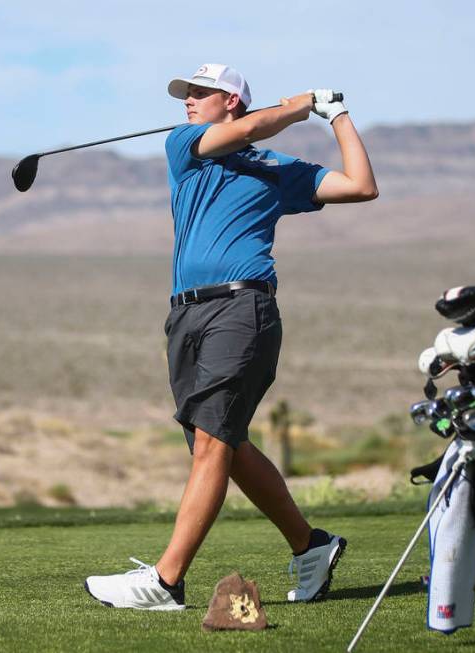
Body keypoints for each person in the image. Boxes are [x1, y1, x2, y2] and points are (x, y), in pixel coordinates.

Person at [85, 63, 378, 610]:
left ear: (233, 100)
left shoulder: (276, 168)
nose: (188, 101)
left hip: (243, 308)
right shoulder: (186, 145)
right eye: (187, 94)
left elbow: (362, 186)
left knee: (215, 442)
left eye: (201, 93)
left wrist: (336, 114)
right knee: (219, 443)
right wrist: (301, 104)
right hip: (185, 315)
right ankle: (311, 545)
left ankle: (166, 581)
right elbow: (247, 132)